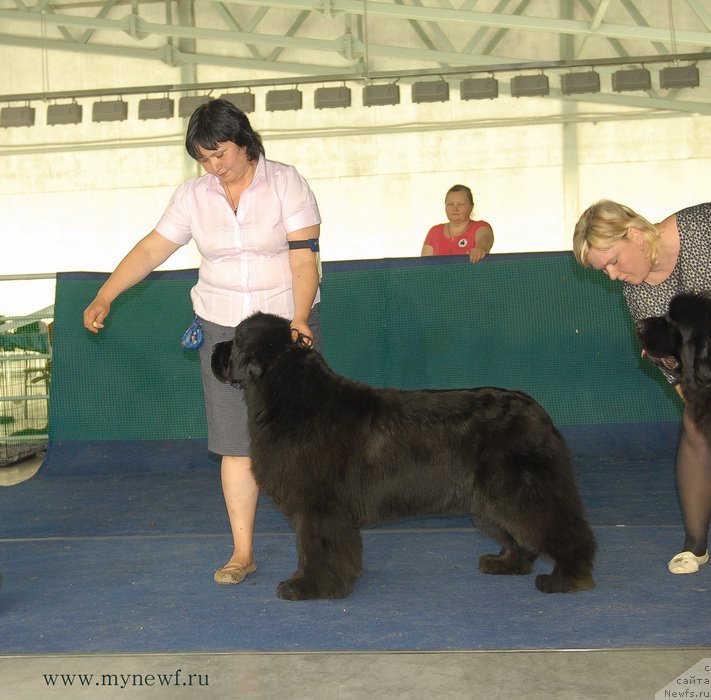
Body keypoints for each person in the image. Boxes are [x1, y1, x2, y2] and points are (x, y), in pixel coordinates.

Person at [83, 98, 322, 586]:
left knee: (299, 441)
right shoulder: (193, 196)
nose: (214, 167)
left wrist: (299, 317)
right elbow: (153, 248)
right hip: (223, 332)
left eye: (221, 155)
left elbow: (303, 257)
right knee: (236, 444)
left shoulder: (286, 182)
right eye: (204, 159)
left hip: (283, 330)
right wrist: (105, 293)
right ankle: (242, 552)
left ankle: (319, 547)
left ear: (245, 142)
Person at [573, 199, 711, 575]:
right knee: (697, 428)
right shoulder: (638, 291)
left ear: (634, 235)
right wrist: (695, 400)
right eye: (604, 271)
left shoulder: (702, 228)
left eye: (614, 261)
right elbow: (670, 359)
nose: (613, 276)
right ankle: (695, 546)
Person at [421, 184, 494, 263]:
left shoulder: (480, 226)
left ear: (471, 206)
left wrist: (480, 249)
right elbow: (424, 265)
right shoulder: (435, 231)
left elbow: (485, 238)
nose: (455, 209)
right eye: (450, 204)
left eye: (461, 204)